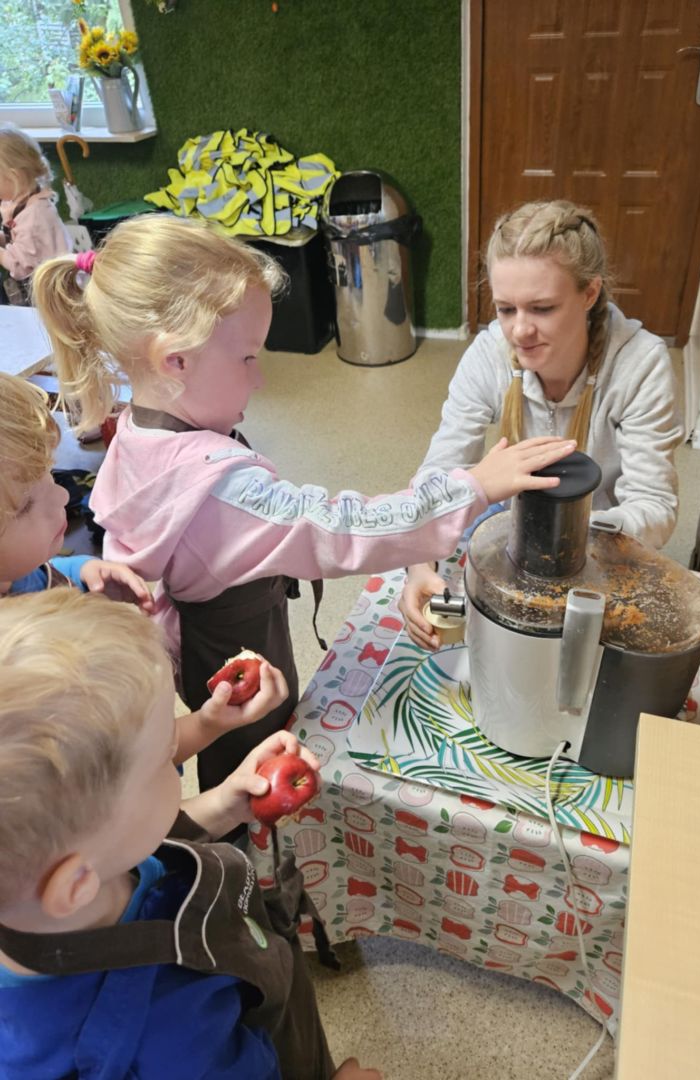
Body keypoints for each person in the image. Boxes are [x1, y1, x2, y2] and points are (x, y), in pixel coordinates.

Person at [32, 214, 576, 792]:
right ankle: (250, 844)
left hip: (196, 649)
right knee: (256, 765)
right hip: (238, 661)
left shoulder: (136, 433)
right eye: (248, 358)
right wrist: (474, 487)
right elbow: (345, 528)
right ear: (176, 361)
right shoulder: (222, 491)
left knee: (234, 756)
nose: (260, 379)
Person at [0, 589, 381, 1080]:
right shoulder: (171, 1037)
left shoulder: (63, 878)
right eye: (166, 759)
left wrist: (222, 804)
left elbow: (136, 846)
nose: (177, 762)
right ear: (76, 884)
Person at [400, 199, 684, 650]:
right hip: (509, 528)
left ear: (590, 294)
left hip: (600, 543)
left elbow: (654, 507)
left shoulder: (640, 364)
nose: (519, 331)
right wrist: (419, 565)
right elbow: (439, 473)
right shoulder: (489, 354)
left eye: (543, 308)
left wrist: (560, 540)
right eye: (505, 309)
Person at [0, 371, 289, 765]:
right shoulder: (27, 683)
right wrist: (207, 726)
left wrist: (83, 572)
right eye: (27, 505)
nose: (63, 495)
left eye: (49, 475)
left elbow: (43, 573)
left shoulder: (16, 573)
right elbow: (122, 769)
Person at [0, 125, 71, 305]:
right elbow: (20, 241)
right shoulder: (19, 200)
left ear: (14, 177)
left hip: (54, 293)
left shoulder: (34, 216)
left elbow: (20, 265)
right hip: (40, 287)